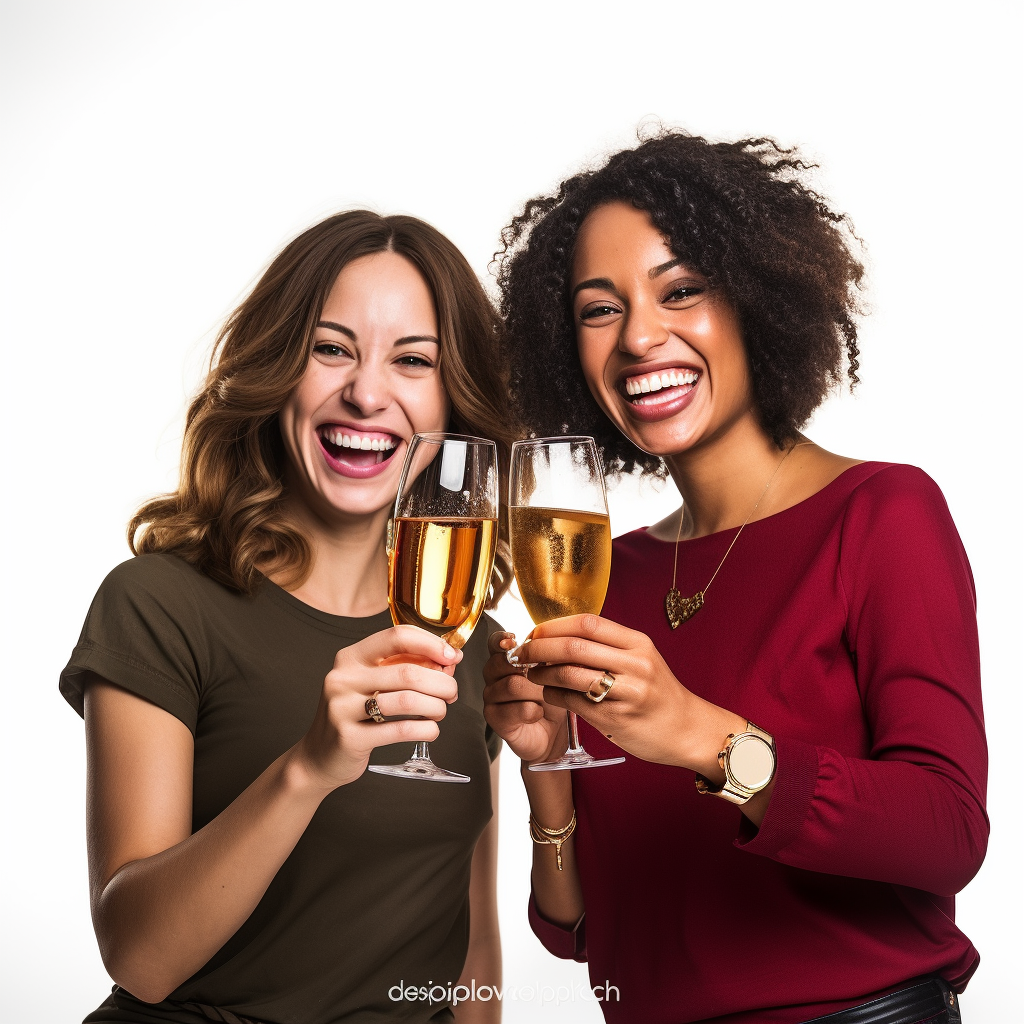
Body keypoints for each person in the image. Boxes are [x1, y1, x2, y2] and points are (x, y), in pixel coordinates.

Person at [483, 132, 986, 1024]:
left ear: (756, 299)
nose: (639, 336)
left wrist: (705, 738)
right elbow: (577, 930)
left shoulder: (882, 514)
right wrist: (545, 773)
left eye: (681, 291)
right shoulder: (605, 575)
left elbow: (948, 833)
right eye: (600, 310)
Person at [60, 210, 513, 1024]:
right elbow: (140, 958)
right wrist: (308, 768)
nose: (367, 393)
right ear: (277, 370)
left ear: (453, 401)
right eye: (330, 349)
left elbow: (472, 951)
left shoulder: (470, 642)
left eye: (412, 361)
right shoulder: (159, 604)